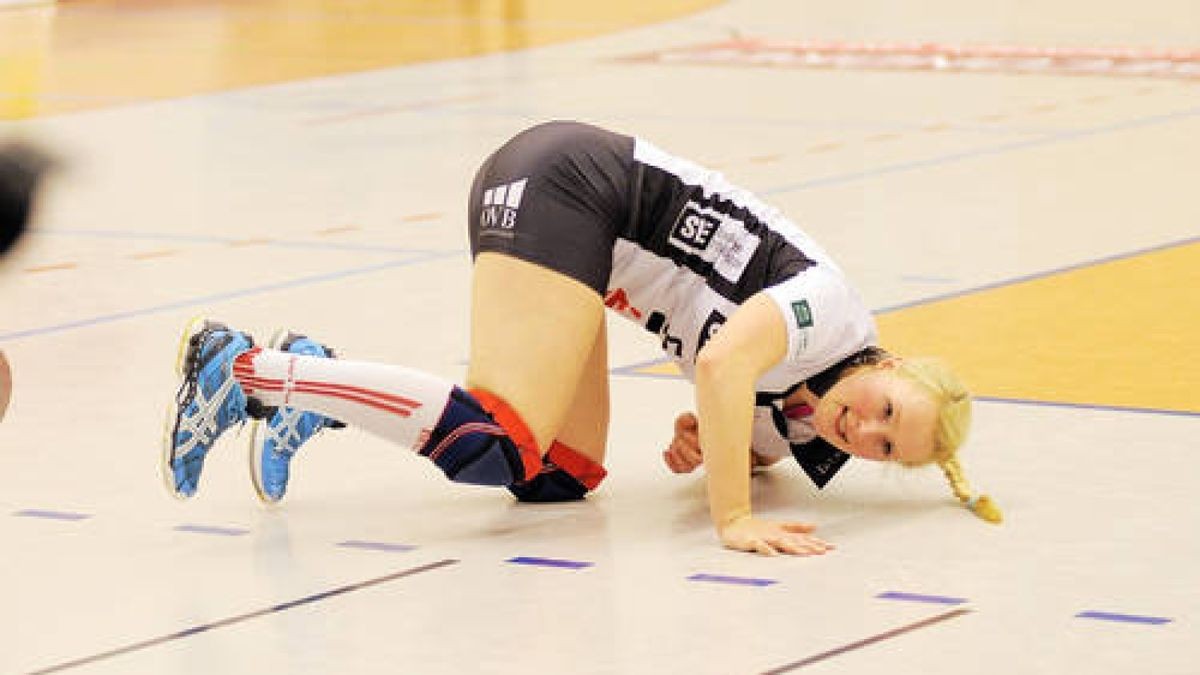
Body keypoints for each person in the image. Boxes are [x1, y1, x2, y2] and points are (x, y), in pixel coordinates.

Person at [163, 121, 999, 557]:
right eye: (887, 408)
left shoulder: (817, 420)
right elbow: (722, 361)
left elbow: (739, 420)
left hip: (590, 251)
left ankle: (313, 378)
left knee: (558, 476)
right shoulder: (834, 310)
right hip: (566, 187)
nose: (869, 430)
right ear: (886, 363)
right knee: (495, 439)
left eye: (888, 448)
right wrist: (733, 517)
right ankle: (241, 369)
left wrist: (715, 442)